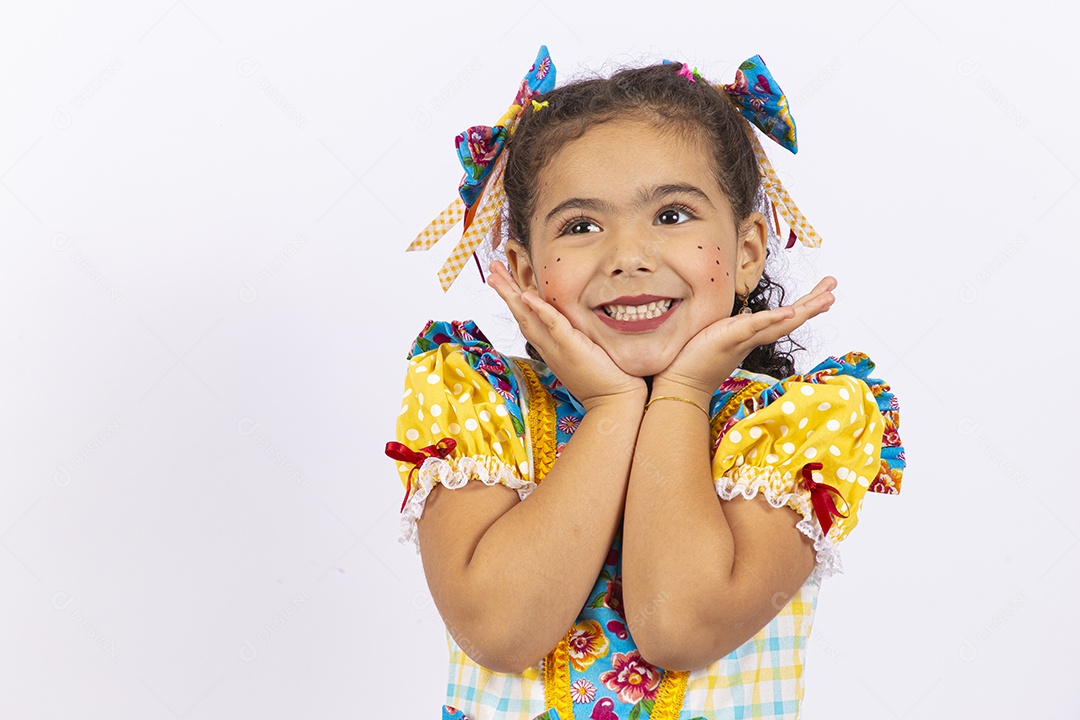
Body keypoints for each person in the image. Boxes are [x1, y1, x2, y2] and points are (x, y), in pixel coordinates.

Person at [386, 46, 905, 720]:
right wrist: (612, 407)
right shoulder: (480, 402)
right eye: (580, 226)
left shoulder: (794, 428)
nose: (627, 256)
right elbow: (498, 630)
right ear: (522, 266)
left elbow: (679, 626)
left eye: (671, 216)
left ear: (748, 253)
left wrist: (683, 394)